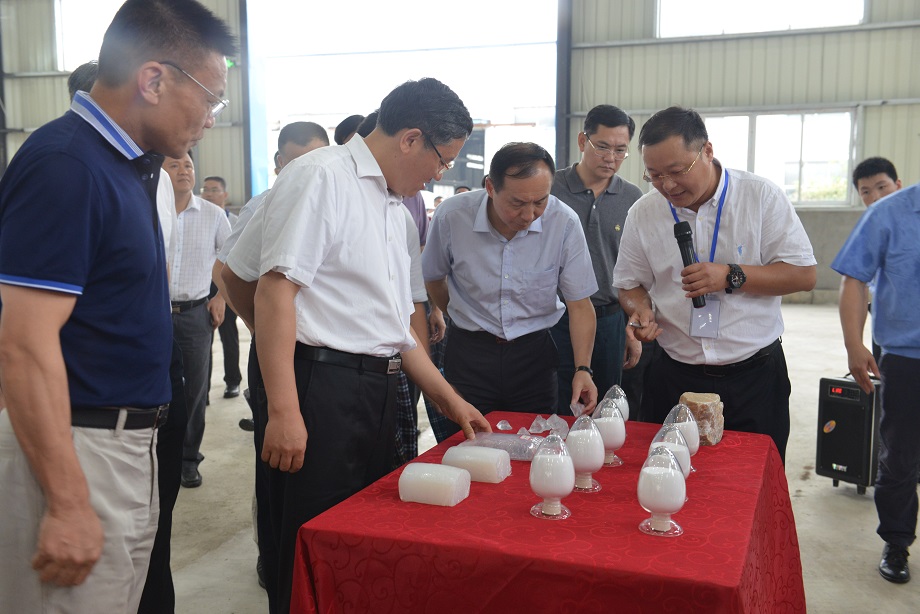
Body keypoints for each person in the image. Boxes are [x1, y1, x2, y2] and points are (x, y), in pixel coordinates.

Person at [0, 1, 235, 612]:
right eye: (210, 99)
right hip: (79, 445)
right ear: (153, 80)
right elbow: (22, 343)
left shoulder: (129, 168)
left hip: (127, 445)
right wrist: (67, 500)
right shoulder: (66, 165)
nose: (211, 120)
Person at [245, 78, 491, 614]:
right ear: (410, 139)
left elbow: (397, 331)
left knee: (363, 538)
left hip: (377, 390)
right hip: (319, 388)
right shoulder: (321, 177)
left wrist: (450, 401)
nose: (440, 174)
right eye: (443, 160)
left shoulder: (395, 210)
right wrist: (282, 408)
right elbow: (269, 290)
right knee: (309, 538)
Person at [613, 106, 816, 461]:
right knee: (669, 473)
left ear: (707, 151)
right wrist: (640, 311)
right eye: (655, 176)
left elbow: (804, 274)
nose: (668, 185)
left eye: (677, 171)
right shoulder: (644, 213)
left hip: (753, 377)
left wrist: (730, 275)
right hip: (674, 376)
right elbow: (629, 284)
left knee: (752, 478)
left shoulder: (760, 197)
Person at [423, 141, 599, 435]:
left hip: (533, 357)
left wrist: (583, 369)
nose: (529, 215)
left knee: (537, 442)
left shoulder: (564, 222)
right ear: (491, 187)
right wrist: (458, 313)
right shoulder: (452, 216)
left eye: (540, 202)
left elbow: (580, 304)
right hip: (469, 355)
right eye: (517, 203)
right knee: (469, 444)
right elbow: (434, 278)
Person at [832, 181, 919, 585]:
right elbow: (854, 279)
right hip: (906, 358)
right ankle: (897, 542)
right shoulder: (888, 214)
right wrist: (854, 345)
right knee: (900, 455)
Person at [551, 104, 643, 412]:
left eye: (620, 150)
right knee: (555, 407)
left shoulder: (633, 199)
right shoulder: (551, 189)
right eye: (602, 147)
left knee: (605, 409)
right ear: (582, 141)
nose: (610, 158)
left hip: (609, 321)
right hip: (554, 319)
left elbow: (637, 270)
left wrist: (631, 328)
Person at [164, 152, 232, 489]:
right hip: (155, 314)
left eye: (188, 165)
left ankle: (188, 459)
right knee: (156, 387)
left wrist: (220, 298)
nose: (183, 171)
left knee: (194, 390)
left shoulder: (213, 215)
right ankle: (160, 456)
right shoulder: (151, 209)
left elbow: (232, 260)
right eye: (174, 165)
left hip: (195, 315)